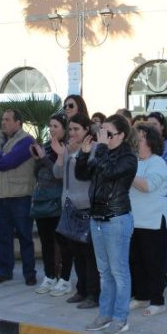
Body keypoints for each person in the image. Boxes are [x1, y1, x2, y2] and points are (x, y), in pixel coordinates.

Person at [76, 114, 137, 334]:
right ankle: (105, 314)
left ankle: (120, 318)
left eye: (109, 133)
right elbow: (82, 174)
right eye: (102, 132)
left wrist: (100, 148)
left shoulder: (128, 158)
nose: (104, 137)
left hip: (116, 218)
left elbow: (109, 172)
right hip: (97, 218)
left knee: (119, 272)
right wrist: (84, 155)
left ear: (121, 135)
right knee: (104, 272)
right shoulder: (103, 153)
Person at [0, 109, 38, 285]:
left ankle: (29, 274)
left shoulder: (27, 141)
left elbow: (8, 162)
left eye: (7, 119)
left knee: (25, 236)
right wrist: (0, 155)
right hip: (0, 196)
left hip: (20, 196)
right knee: (2, 237)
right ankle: (4, 271)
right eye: (3, 119)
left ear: (18, 122)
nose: (3, 122)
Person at [53, 114, 99, 308]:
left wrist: (76, 155)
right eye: (70, 129)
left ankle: (93, 294)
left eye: (76, 129)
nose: (72, 133)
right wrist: (61, 155)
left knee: (89, 254)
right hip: (69, 207)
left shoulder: (94, 148)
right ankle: (81, 290)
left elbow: (86, 174)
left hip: (86, 207)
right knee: (76, 252)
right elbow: (57, 173)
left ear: (86, 130)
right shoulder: (68, 149)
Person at [128, 123, 167, 316]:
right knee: (136, 261)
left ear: (151, 141)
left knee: (153, 263)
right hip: (134, 219)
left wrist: (128, 173)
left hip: (153, 220)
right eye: (135, 137)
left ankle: (157, 301)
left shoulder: (157, 162)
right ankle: (141, 296)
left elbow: (147, 186)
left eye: (141, 137)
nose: (137, 140)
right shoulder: (134, 161)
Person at [31, 114, 73, 296]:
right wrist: (38, 157)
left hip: (59, 201)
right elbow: (37, 173)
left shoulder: (67, 148)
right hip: (43, 200)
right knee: (46, 242)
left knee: (63, 243)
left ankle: (65, 279)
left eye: (56, 126)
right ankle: (49, 276)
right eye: (50, 126)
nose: (52, 129)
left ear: (64, 129)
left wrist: (44, 159)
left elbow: (60, 174)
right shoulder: (46, 147)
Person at [146, 111, 167, 284]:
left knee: (164, 237)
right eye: (148, 124)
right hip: (146, 196)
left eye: (155, 125)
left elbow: (159, 164)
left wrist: (147, 161)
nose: (151, 128)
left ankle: (164, 272)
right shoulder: (143, 144)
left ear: (162, 127)